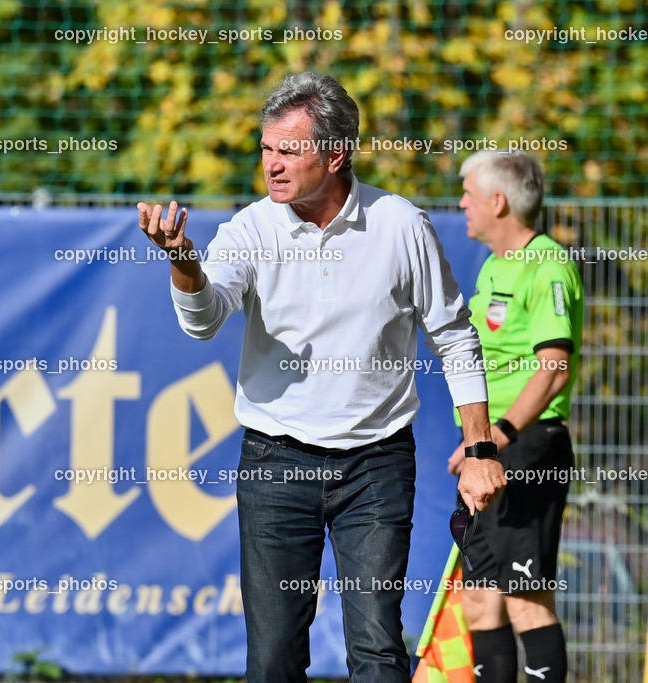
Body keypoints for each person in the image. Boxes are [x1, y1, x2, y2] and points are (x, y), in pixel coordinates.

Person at [137, 72, 505, 683]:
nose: (272, 165)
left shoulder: (401, 225)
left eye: (289, 150)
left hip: (377, 464)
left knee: (378, 651)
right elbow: (204, 320)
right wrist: (182, 260)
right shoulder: (251, 228)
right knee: (274, 659)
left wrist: (480, 446)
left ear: (336, 155)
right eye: (266, 149)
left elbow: (456, 337)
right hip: (275, 463)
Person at [447, 151, 583, 683]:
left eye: (468, 194)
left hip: (527, 445)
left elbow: (553, 370)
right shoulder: (496, 267)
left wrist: (496, 439)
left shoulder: (549, 265)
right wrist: (477, 442)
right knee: (480, 601)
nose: (461, 203)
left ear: (497, 202)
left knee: (525, 597)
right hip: (491, 447)